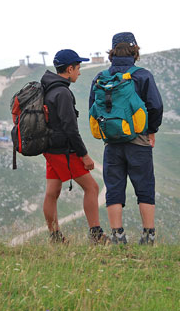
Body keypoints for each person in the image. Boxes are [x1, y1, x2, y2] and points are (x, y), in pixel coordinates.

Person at [89, 32, 163, 245]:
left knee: (114, 187)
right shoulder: (142, 75)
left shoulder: (101, 77)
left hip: (111, 142)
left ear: (112, 52)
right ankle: (148, 235)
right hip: (139, 140)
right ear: (134, 50)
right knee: (144, 185)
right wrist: (152, 130)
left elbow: (93, 108)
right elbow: (155, 106)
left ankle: (117, 234)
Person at [40, 49, 108, 244]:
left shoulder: (48, 88)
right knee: (92, 187)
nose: (80, 72)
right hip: (63, 151)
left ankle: (55, 237)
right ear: (69, 69)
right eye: (78, 68)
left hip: (50, 149)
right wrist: (84, 155)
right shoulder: (62, 93)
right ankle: (96, 235)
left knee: (52, 192)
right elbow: (70, 129)